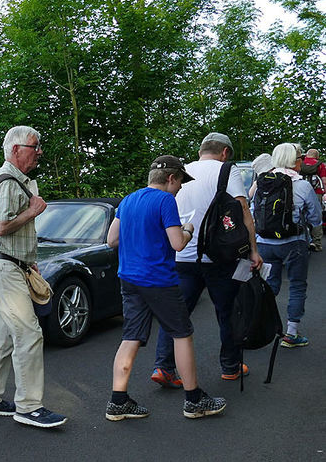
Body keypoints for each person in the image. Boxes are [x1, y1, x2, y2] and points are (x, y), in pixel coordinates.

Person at [105, 156, 227, 420]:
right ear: (171, 178)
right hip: (159, 280)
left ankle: (118, 401)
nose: (181, 188)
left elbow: (112, 239)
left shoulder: (128, 200)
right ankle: (194, 399)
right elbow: (177, 244)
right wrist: (188, 229)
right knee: (181, 334)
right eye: (181, 181)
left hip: (129, 277)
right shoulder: (165, 201)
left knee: (131, 336)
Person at [0, 125, 66, 428]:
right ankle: (28, 407)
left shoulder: (13, 180)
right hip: (4, 269)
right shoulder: (9, 182)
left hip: (10, 267)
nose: (39, 153)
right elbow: (0, 227)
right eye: (34, 147)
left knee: (3, 337)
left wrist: (28, 262)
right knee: (28, 334)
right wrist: (33, 211)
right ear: (15, 150)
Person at [152, 132, 262, 385]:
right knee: (227, 311)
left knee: (177, 313)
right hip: (219, 256)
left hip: (181, 254)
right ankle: (230, 366)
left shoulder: (180, 171)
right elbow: (243, 210)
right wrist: (253, 250)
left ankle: (164, 367)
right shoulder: (227, 170)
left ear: (201, 149)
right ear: (224, 152)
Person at [255, 143, 322, 348]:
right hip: (294, 243)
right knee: (297, 285)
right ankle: (291, 333)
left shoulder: (263, 182)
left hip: (264, 242)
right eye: (300, 158)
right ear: (294, 161)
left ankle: (254, 324)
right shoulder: (302, 185)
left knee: (270, 285)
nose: (302, 162)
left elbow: (252, 211)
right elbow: (316, 218)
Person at [301, 148, 325, 252]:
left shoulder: (300, 162)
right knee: (316, 216)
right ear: (317, 156)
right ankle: (317, 243)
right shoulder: (320, 165)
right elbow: (324, 180)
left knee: (301, 215)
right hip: (317, 192)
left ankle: (304, 240)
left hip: (301, 192)